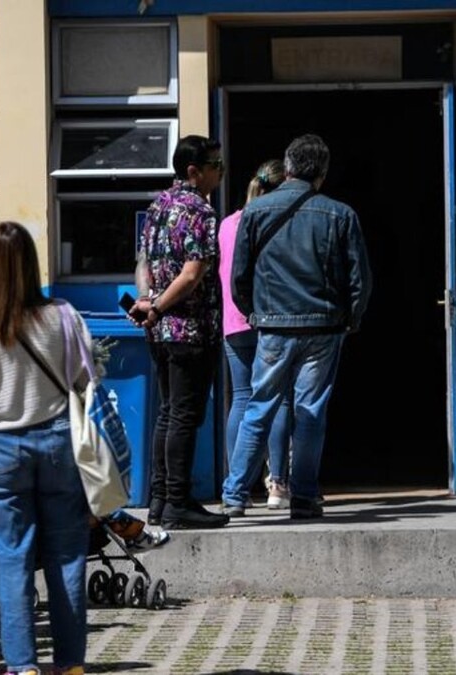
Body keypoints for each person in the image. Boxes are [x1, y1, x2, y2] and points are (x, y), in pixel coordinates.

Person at [0, 221, 93, 675]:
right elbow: (85, 381)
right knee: (67, 558)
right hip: (57, 443)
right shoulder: (64, 316)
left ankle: (23, 666)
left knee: (11, 561)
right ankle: (70, 665)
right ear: (31, 264)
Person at [229, 134, 372, 520]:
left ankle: (235, 495)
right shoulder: (341, 214)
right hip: (324, 327)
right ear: (322, 173)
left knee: (259, 406)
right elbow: (360, 279)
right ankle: (305, 497)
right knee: (310, 411)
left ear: (287, 167)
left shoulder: (255, 212)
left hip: (273, 325)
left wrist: (255, 314)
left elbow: (239, 275)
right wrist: (350, 319)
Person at [131, 135, 229, 530]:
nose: (220, 173)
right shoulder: (201, 212)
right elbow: (192, 274)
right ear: (194, 171)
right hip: (190, 329)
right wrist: (157, 306)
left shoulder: (158, 205)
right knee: (185, 416)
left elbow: (143, 260)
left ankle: (159, 499)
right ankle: (178, 501)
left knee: (168, 413)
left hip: (159, 331)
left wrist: (146, 299)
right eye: (215, 166)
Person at [218, 160, 294, 514]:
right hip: (270, 320)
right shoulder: (276, 222)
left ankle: (239, 486)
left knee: (243, 399)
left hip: (233, 323)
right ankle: (278, 484)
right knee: (278, 399)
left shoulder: (226, 225)